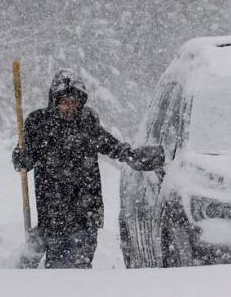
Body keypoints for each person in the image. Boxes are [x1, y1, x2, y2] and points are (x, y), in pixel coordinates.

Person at [11, 69, 164, 268]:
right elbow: (21, 158)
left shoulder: (86, 121)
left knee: (80, 264)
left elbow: (108, 143)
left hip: (87, 208)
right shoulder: (39, 123)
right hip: (53, 209)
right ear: (54, 101)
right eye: (64, 102)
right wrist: (23, 158)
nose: (69, 108)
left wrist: (130, 155)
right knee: (59, 268)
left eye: (74, 102)